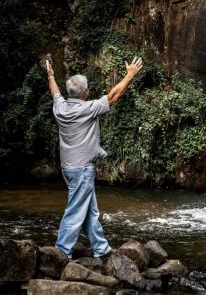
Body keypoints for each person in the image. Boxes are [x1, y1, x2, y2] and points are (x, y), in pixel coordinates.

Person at [44, 56, 144, 259]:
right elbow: (114, 96)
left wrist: (51, 75)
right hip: (82, 170)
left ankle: (101, 248)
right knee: (75, 210)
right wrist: (130, 75)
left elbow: (54, 92)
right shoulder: (89, 109)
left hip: (68, 169)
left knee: (89, 211)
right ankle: (61, 251)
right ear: (85, 93)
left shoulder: (60, 108)